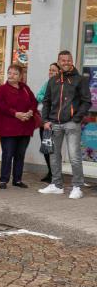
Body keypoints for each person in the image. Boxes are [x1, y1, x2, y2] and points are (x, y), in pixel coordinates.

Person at [40, 50, 92, 199]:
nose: (66, 63)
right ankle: (56, 185)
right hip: (54, 124)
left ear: (72, 61)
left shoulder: (80, 80)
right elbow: (46, 102)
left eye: (68, 60)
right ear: (59, 62)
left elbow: (86, 101)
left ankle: (77, 187)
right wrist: (46, 120)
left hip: (71, 124)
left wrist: (76, 118)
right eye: (63, 60)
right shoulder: (53, 81)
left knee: (74, 156)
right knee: (54, 155)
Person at [0, 64, 37, 189]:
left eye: (15, 73)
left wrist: (30, 112)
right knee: (8, 154)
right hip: (8, 128)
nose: (11, 75)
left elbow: (34, 102)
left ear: (20, 76)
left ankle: (17, 180)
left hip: (24, 127)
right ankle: (4, 180)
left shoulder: (25, 88)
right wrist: (15, 114)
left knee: (20, 155)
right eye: (10, 73)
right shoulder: (2, 89)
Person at [36, 62, 61, 183]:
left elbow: (57, 101)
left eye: (54, 70)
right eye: (50, 70)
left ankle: (55, 174)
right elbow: (39, 96)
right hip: (44, 120)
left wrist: (46, 99)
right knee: (46, 147)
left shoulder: (61, 85)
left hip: (54, 121)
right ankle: (50, 173)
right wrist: (46, 98)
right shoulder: (47, 83)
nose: (51, 72)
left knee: (53, 149)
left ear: (59, 72)